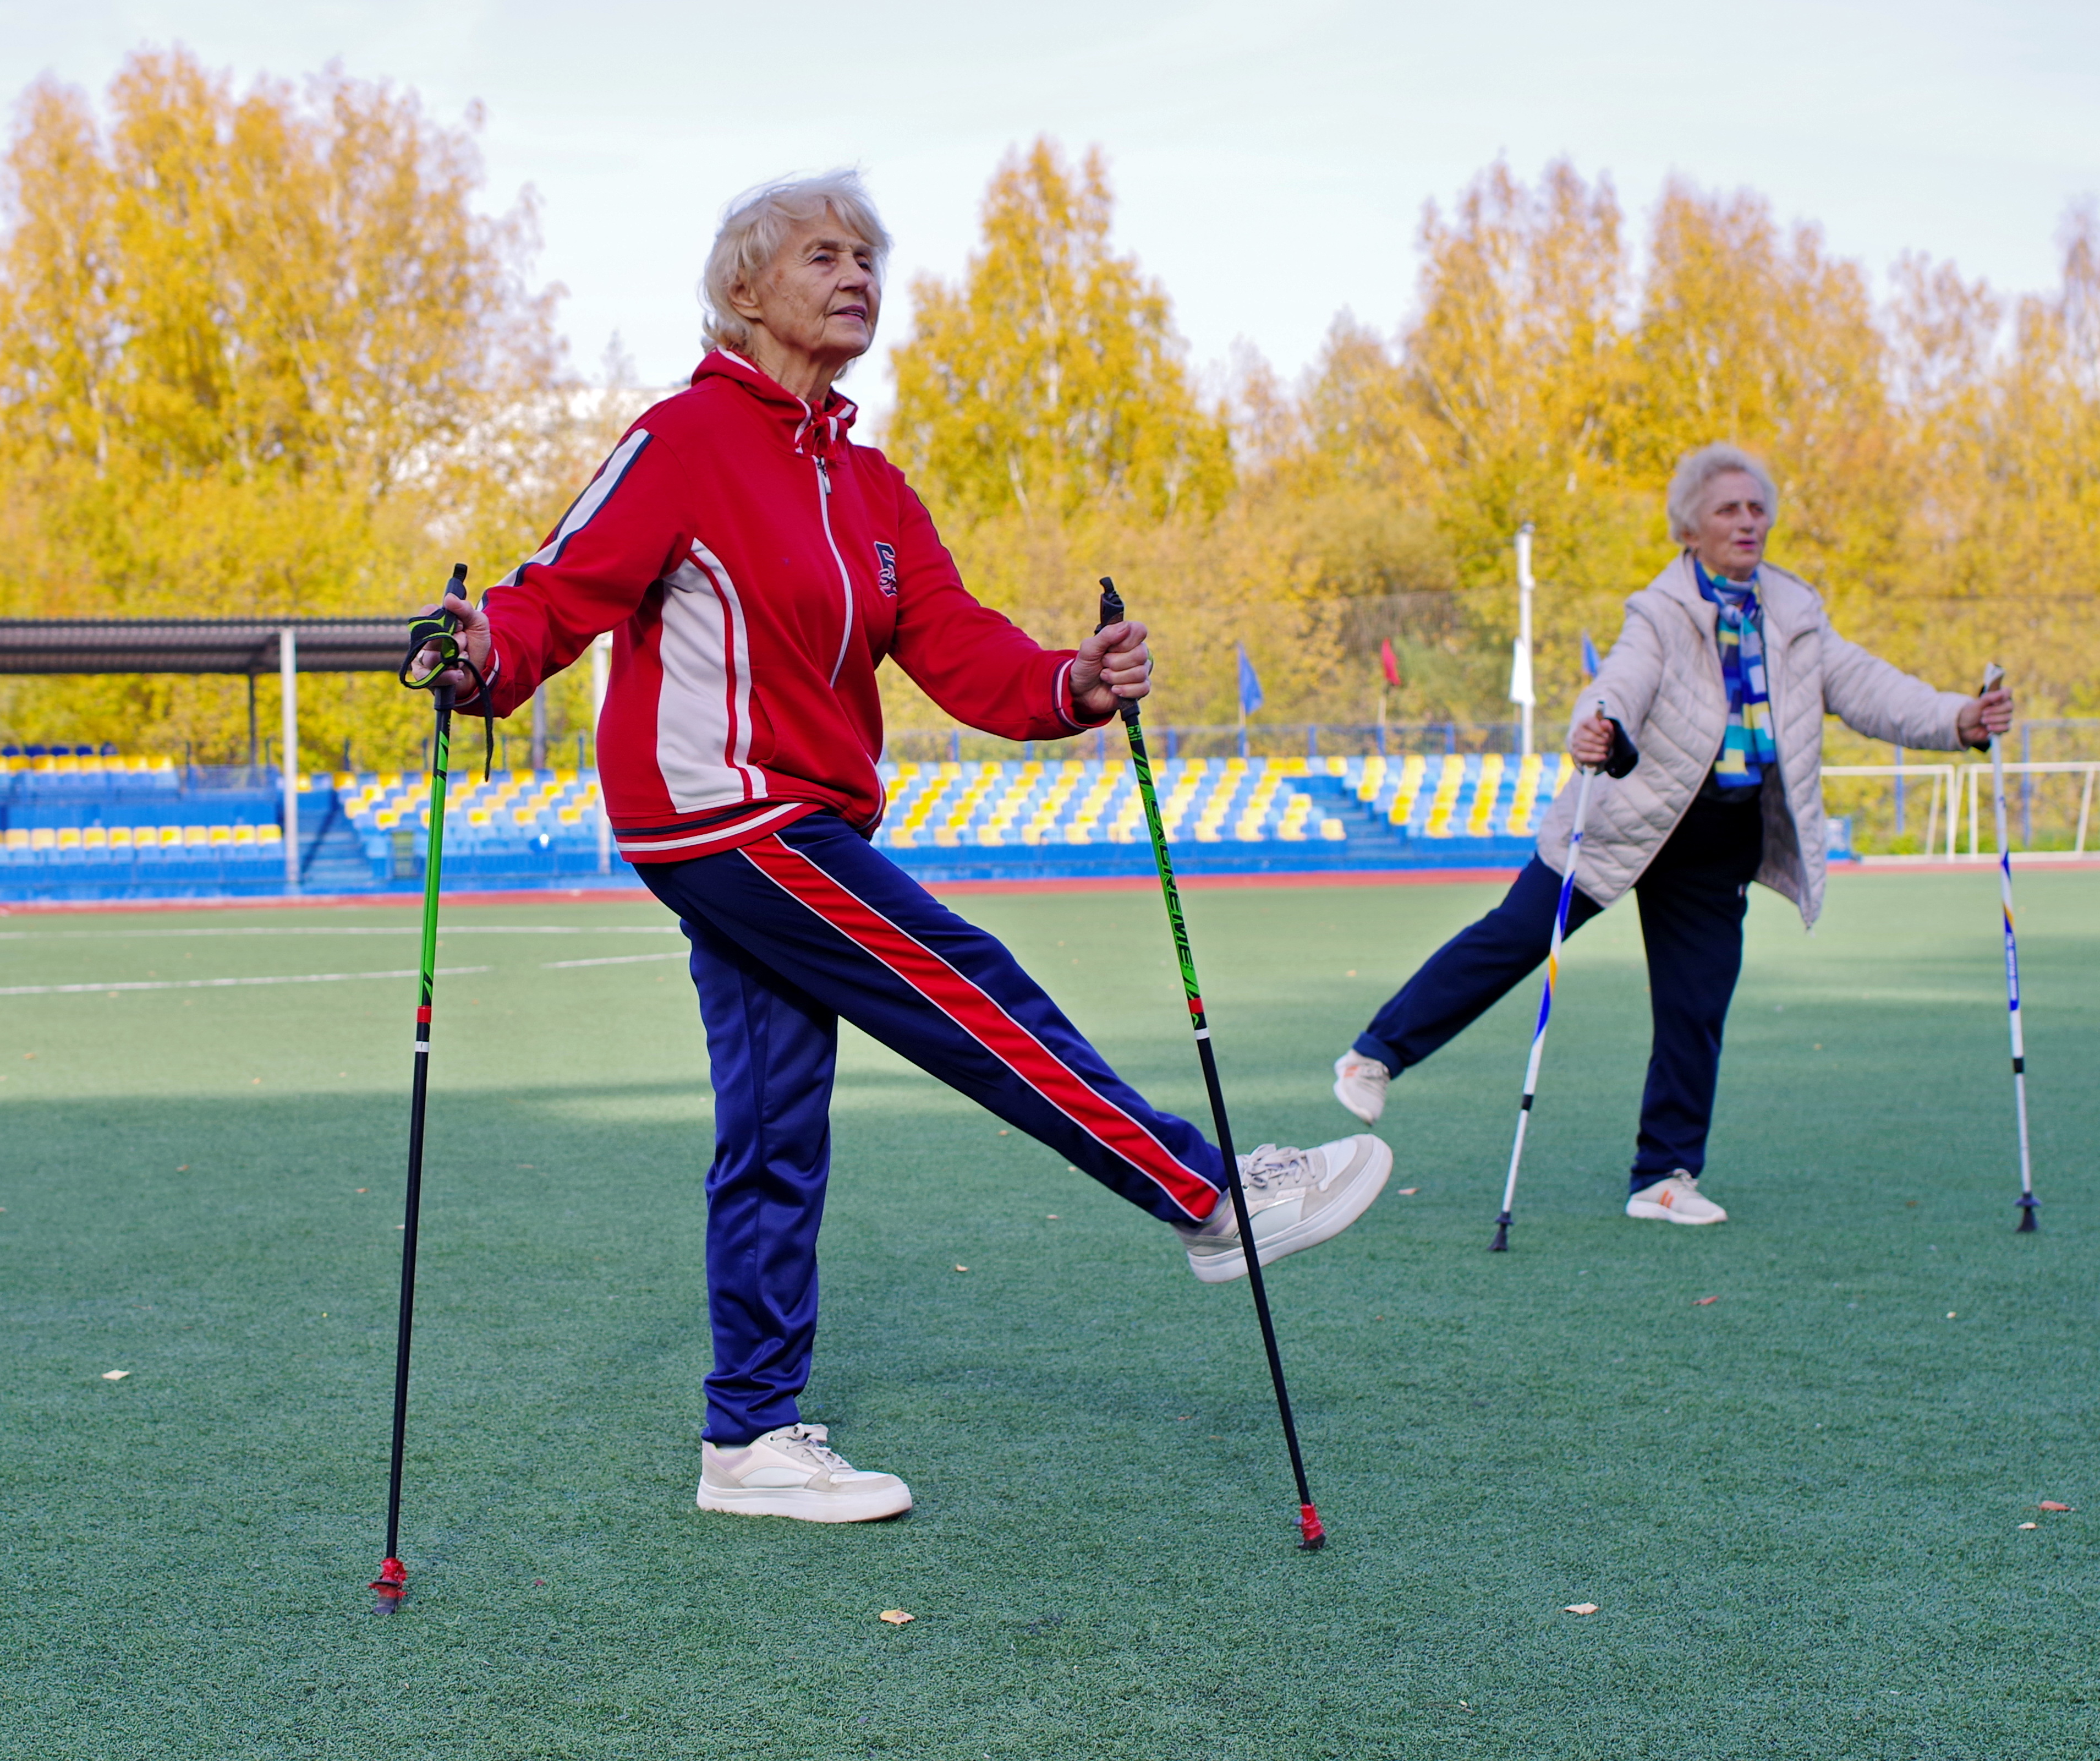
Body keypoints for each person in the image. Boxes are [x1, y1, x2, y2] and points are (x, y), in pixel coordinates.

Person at [418, 171, 1391, 1524]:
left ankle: (749, 1440)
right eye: (825, 253)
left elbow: (961, 647)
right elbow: (555, 590)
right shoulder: (684, 441)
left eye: (870, 254)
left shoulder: (875, 490)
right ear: (745, 289)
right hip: (724, 815)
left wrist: (1076, 682)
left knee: (773, 1126)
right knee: (963, 978)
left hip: (799, 819)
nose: (859, 273)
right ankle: (1207, 1194)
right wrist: (480, 657)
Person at [1331, 442, 2014, 1223]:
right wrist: (1602, 725)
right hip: (1625, 814)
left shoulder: (1796, 613)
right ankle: (1374, 1056)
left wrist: (1960, 717)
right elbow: (1620, 682)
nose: (1747, 522)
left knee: (1696, 1007)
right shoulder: (1660, 611)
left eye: (1757, 508)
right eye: (1728, 509)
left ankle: (1663, 1177)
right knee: (1513, 938)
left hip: (1719, 837)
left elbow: (1870, 689)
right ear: (1690, 527)